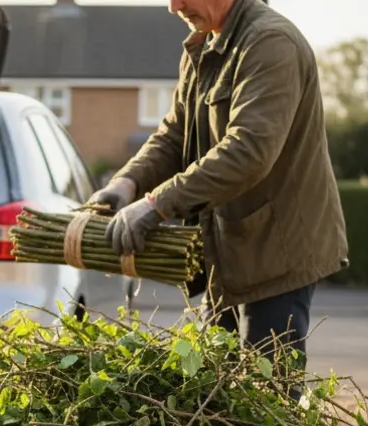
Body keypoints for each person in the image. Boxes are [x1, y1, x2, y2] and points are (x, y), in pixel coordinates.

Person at [89, 0, 348, 378]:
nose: (173, 7)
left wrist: (156, 205)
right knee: (213, 389)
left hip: (275, 254)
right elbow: (174, 135)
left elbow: (249, 150)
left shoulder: (270, 43)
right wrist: (126, 183)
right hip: (226, 254)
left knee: (265, 399)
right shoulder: (205, 45)